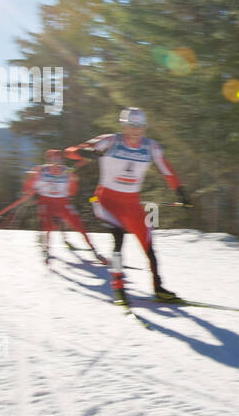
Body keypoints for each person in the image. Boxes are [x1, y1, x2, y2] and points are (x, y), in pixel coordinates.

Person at [65, 107, 191, 303]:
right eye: (132, 125)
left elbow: (167, 171)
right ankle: (118, 288)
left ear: (145, 127)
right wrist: (87, 153)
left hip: (132, 204)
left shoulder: (151, 147)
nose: (136, 130)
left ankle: (159, 288)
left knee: (149, 246)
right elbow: (71, 152)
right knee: (119, 238)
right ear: (123, 125)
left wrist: (181, 192)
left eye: (140, 126)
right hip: (106, 201)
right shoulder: (110, 140)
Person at [22, 149, 104, 265]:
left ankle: (93, 250)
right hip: (46, 202)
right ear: (48, 160)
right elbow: (28, 182)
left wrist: (73, 182)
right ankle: (46, 248)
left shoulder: (67, 171)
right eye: (53, 159)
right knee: (48, 225)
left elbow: (73, 189)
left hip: (62, 202)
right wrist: (28, 190)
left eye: (58, 159)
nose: (56, 162)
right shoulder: (41, 171)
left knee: (79, 225)